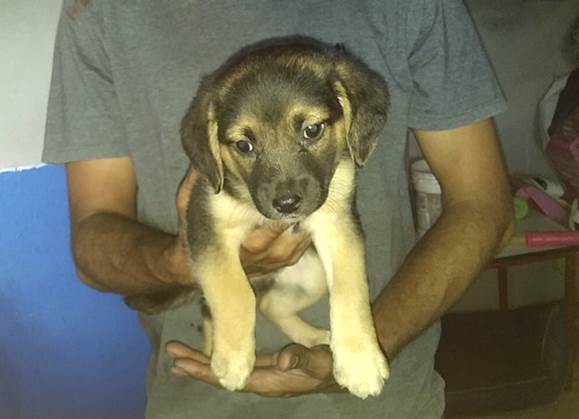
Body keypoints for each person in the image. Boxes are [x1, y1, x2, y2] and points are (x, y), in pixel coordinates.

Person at [43, 0, 514, 417]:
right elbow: (92, 240)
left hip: (385, 402)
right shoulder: (100, 10)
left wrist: (368, 342)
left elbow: (483, 206)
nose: (285, 192)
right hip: (198, 402)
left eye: (311, 131)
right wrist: (178, 263)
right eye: (245, 146)